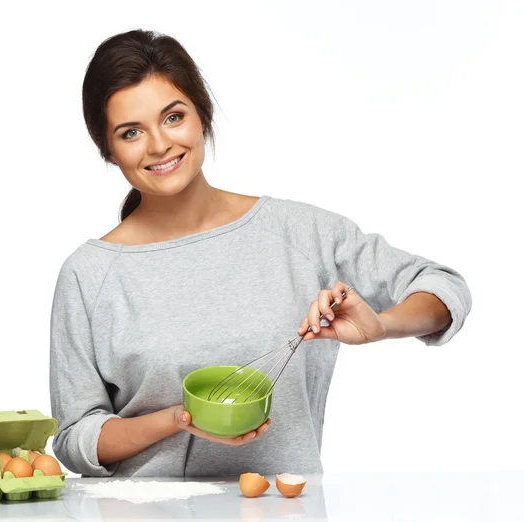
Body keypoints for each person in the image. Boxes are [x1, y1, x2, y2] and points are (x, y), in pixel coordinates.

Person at [49, 29, 472, 478]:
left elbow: (444, 288)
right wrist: (178, 420)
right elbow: (75, 437)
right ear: (109, 151)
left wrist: (381, 325)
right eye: (131, 132)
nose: (158, 145)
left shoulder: (299, 233)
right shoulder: (89, 274)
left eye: (173, 117)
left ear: (202, 116)